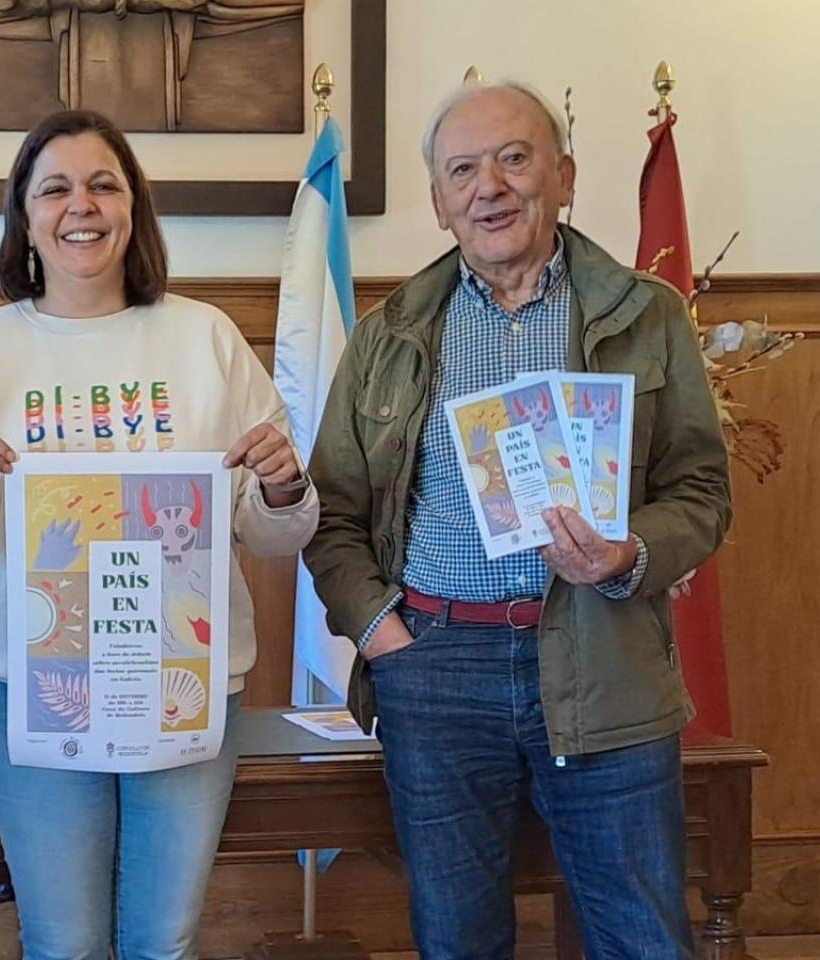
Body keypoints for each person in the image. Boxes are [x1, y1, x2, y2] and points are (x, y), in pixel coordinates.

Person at [305, 81, 732, 959]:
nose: (489, 186)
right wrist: (384, 633)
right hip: (435, 667)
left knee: (645, 937)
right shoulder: (388, 334)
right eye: (462, 169)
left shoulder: (646, 315)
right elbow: (333, 513)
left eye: (514, 158)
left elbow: (701, 491)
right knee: (457, 941)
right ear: (437, 200)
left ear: (564, 175)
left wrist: (629, 553)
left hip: (603, 651)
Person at [0, 109, 317, 959]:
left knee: (164, 941)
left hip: (184, 682)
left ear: (134, 209)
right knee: (61, 944)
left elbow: (271, 537)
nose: (80, 205)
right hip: (28, 683)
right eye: (53, 188)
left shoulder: (204, 336)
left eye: (104, 184)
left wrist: (281, 485)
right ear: (24, 215)